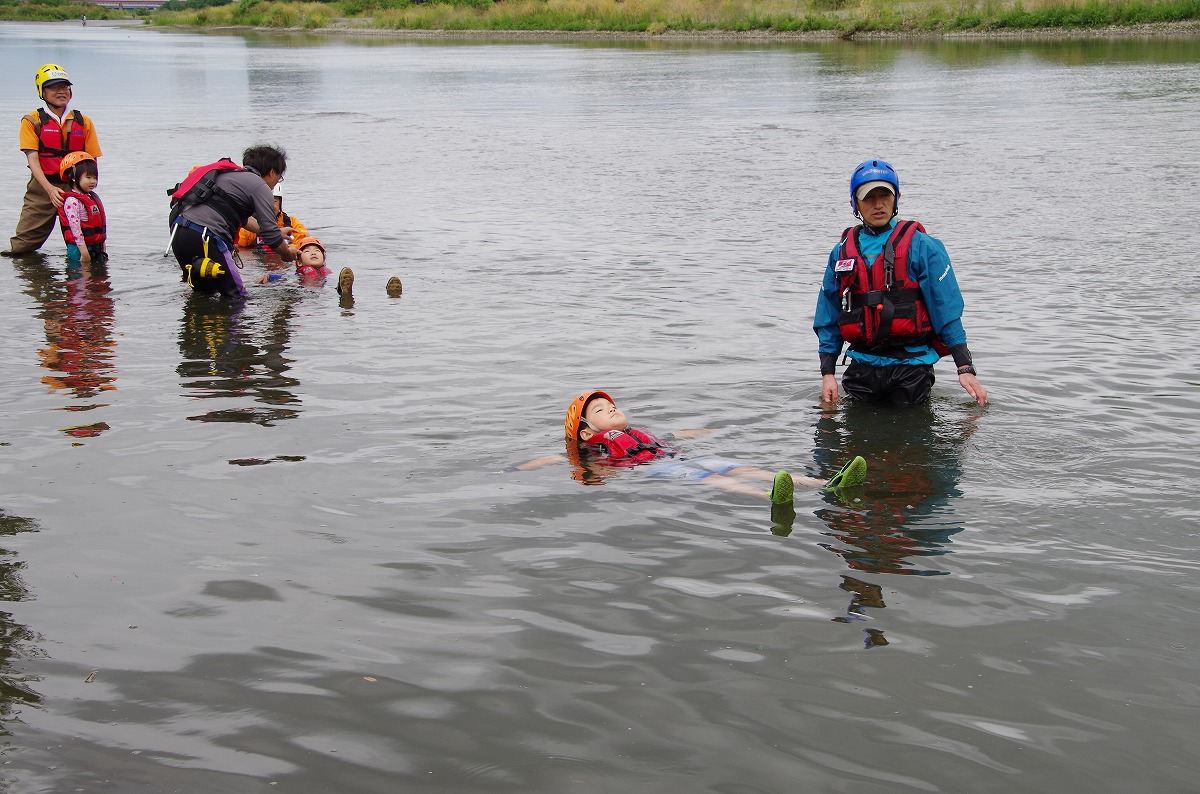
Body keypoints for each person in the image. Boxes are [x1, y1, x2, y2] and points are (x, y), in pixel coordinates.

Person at [814, 159, 987, 407]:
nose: (878, 204)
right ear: (855, 203)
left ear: (897, 198)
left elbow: (946, 309)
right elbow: (827, 313)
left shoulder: (924, 246)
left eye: (885, 195)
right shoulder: (841, 252)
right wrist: (828, 373)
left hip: (912, 371)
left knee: (909, 444)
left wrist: (964, 367)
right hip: (862, 367)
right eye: (868, 197)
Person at [519, 391, 867, 513]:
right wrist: (518, 470)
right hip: (655, 470)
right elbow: (557, 459)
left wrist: (722, 427)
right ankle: (768, 497)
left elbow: (677, 434)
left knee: (734, 466)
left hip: (674, 457)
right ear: (584, 431)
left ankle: (824, 485)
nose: (610, 410)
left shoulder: (638, 433)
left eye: (611, 406)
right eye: (599, 410)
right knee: (710, 478)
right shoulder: (592, 449)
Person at [167, 145, 298, 300]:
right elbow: (272, 238)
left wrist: (275, 231)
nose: (276, 183)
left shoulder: (228, 176)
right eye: (279, 177)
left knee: (203, 295)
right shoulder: (259, 186)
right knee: (237, 297)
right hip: (207, 239)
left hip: (179, 236)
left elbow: (243, 220)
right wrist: (287, 254)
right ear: (271, 172)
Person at [3, 64, 102, 258]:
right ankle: (32, 280)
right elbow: (33, 160)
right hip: (42, 188)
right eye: (54, 87)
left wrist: (86, 190)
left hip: (76, 188)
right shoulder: (32, 121)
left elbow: (92, 161)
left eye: (64, 87)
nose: (61, 91)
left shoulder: (84, 122)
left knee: (90, 243)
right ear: (42, 91)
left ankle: (86, 281)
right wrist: (49, 189)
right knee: (22, 248)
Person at [56, 151, 107, 266]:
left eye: (95, 178)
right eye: (88, 177)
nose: (92, 181)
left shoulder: (91, 197)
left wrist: (103, 247)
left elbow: (101, 226)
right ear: (73, 177)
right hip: (80, 250)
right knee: (79, 281)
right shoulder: (72, 201)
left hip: (95, 247)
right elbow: (75, 229)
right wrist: (84, 253)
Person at [237, 183, 307, 248]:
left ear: (280, 203)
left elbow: (303, 246)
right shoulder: (248, 226)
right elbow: (239, 249)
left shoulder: (293, 223)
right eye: (265, 201)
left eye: (274, 201)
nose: (269, 206)